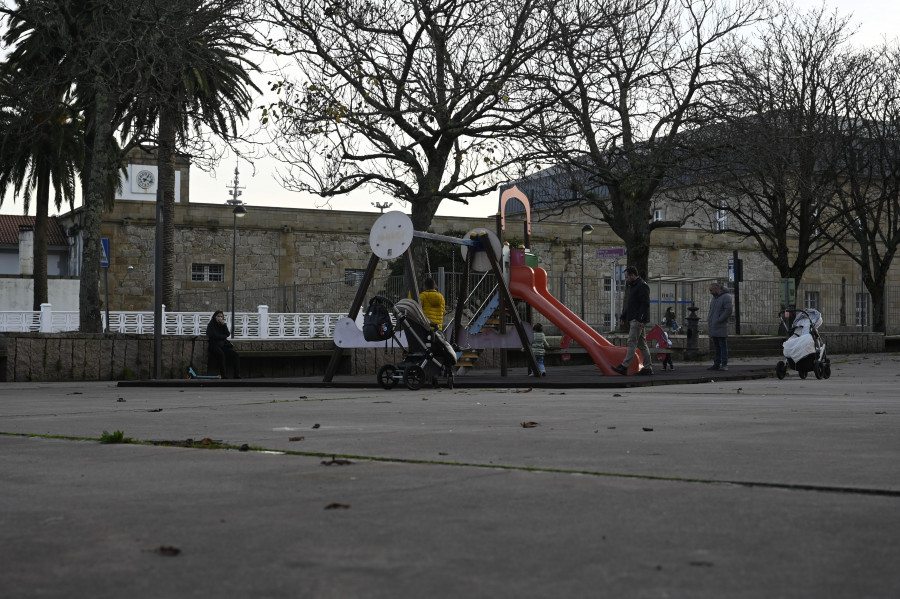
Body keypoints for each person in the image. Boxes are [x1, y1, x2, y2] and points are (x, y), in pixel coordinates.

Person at [612, 266, 653, 375]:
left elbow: (645, 304)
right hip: (636, 318)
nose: (626, 279)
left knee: (631, 341)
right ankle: (648, 367)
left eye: (627, 277)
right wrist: (623, 316)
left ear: (633, 275)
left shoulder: (642, 286)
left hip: (637, 319)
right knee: (642, 344)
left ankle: (624, 366)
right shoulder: (635, 286)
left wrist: (641, 319)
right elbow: (631, 304)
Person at [206, 310, 241, 378]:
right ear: (215, 317)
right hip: (214, 345)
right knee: (221, 354)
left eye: (221, 316)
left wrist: (224, 325)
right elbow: (213, 335)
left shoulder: (222, 325)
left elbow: (227, 334)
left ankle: (236, 375)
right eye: (218, 316)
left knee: (236, 355)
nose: (220, 318)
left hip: (223, 345)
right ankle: (223, 375)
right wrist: (223, 336)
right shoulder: (211, 325)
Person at [707, 282, 733, 371]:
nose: (710, 292)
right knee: (717, 347)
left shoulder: (726, 297)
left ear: (716, 288)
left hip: (720, 325)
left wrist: (719, 319)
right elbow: (712, 311)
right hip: (714, 325)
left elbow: (728, 310)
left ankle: (724, 364)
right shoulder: (714, 298)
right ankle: (717, 364)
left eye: (711, 290)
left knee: (722, 346)